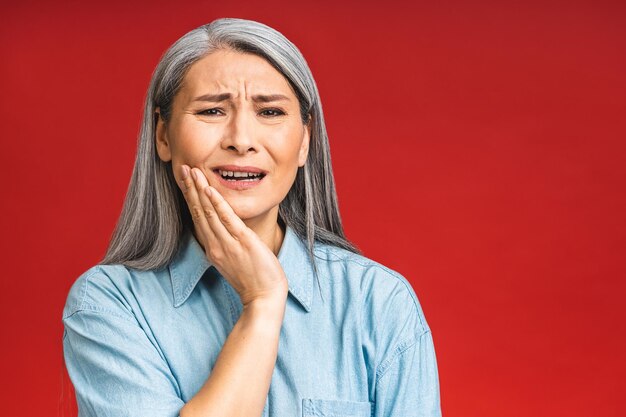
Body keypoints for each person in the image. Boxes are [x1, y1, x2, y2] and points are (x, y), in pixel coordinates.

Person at [62, 17, 442, 417]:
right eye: (211, 110)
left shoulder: (378, 302)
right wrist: (261, 303)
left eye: (271, 112)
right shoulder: (108, 305)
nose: (241, 140)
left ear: (304, 141)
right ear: (163, 135)